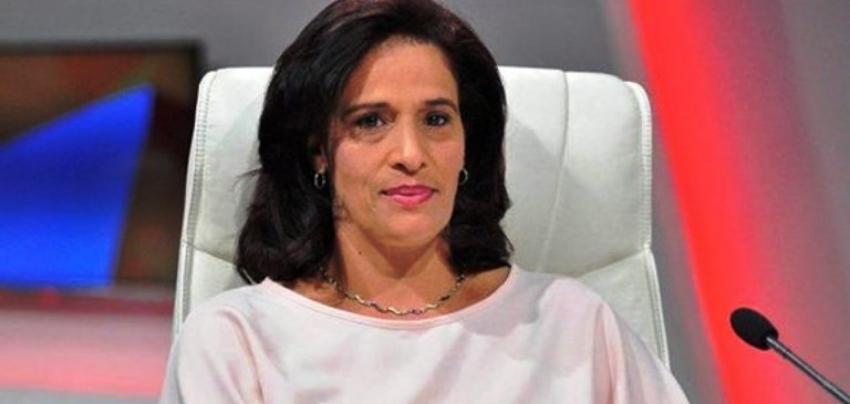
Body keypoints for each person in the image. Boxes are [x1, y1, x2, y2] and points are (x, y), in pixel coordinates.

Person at [160, 0, 690, 402]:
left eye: (436, 119)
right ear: (318, 151)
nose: (411, 155)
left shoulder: (574, 323)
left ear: (467, 145)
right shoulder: (236, 342)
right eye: (371, 121)